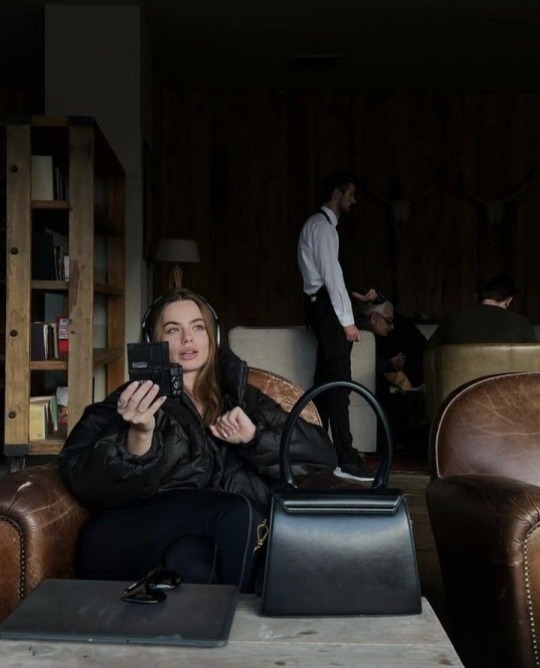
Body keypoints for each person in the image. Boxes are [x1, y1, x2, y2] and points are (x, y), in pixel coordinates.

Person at [58, 289, 337, 592]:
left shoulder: (242, 398)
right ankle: (241, 616)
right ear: (154, 342)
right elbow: (80, 474)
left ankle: (220, 617)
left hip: (205, 542)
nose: (187, 338)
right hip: (126, 537)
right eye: (172, 330)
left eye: (197, 327)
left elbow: (322, 455)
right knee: (238, 513)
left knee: (194, 561)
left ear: (212, 337)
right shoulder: (133, 400)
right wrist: (139, 436)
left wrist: (254, 437)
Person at [297, 170, 377, 481]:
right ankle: (345, 459)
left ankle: (319, 455)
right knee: (340, 387)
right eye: (351, 195)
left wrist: (355, 296)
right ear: (337, 194)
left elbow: (329, 278)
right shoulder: (322, 228)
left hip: (323, 309)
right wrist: (348, 322)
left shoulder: (322, 227)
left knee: (323, 385)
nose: (354, 201)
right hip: (329, 314)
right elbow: (330, 278)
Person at [427, 272, 537, 347]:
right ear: (508, 300)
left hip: (461, 376)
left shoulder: (451, 321)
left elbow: (427, 355)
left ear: (476, 296)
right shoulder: (522, 324)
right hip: (509, 376)